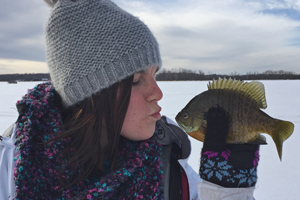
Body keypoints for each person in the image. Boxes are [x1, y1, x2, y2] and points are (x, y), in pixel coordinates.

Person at [0, 0, 260, 199]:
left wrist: (225, 190)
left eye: (154, 75)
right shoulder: (10, 167)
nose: (157, 93)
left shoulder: (169, 162)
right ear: (89, 95)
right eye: (136, 80)